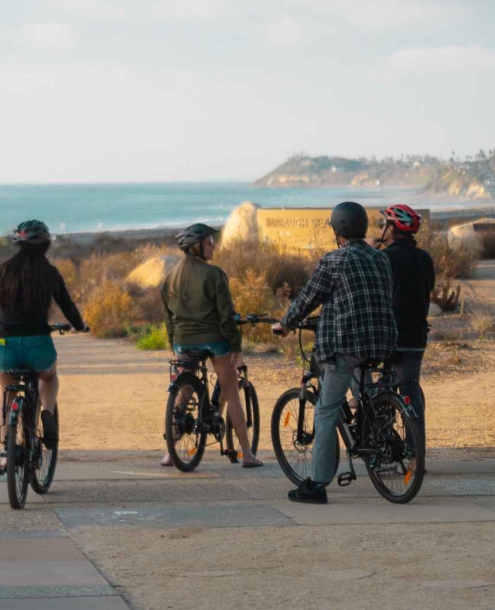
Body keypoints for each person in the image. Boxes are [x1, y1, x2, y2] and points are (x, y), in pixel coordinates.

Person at [271, 202, 396, 504]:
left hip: (347, 344)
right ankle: (375, 432)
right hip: (382, 340)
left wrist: (286, 324)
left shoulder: (335, 260)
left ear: (338, 230)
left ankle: (316, 484)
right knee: (362, 384)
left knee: (326, 411)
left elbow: (309, 297)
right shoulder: (380, 258)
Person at [159, 222, 264, 468]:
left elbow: (168, 318)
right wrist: (236, 348)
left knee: (183, 394)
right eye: (209, 242)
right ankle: (247, 455)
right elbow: (226, 316)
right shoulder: (214, 274)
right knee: (232, 394)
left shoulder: (169, 279)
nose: (213, 247)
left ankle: (170, 454)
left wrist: (174, 344)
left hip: (183, 342)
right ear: (196, 246)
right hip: (214, 340)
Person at [0, 219, 86, 474]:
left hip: (7, 343)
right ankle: (48, 412)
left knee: (6, 393)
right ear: (46, 244)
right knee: (49, 376)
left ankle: (6, 450)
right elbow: (67, 304)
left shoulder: (1, 272)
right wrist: (79, 325)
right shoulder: (50, 273)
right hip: (39, 343)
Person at [376, 203, 435, 422]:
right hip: (416, 336)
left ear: (392, 229)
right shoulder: (425, 258)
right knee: (410, 390)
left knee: (365, 376)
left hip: (388, 336)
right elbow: (427, 290)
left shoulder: (384, 258)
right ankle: (414, 451)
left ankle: (377, 423)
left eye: (385, 224)